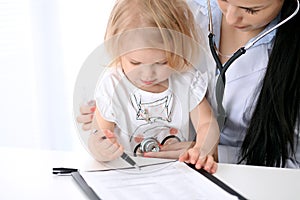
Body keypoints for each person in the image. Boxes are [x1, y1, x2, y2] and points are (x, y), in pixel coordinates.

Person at [78, 0, 300, 168]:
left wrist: (207, 151)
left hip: (243, 174)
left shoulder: (184, 80)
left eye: (251, 9)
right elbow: (100, 137)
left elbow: (291, 163)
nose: (231, 18)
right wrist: (106, 121)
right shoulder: (179, 9)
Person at [85, 0, 220, 173]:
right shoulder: (113, 85)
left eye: (161, 62)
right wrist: (100, 148)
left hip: (178, 174)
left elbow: (207, 123)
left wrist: (201, 149)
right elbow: (99, 133)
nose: (148, 75)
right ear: (118, 49)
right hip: (129, 175)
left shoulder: (185, 80)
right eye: (135, 62)